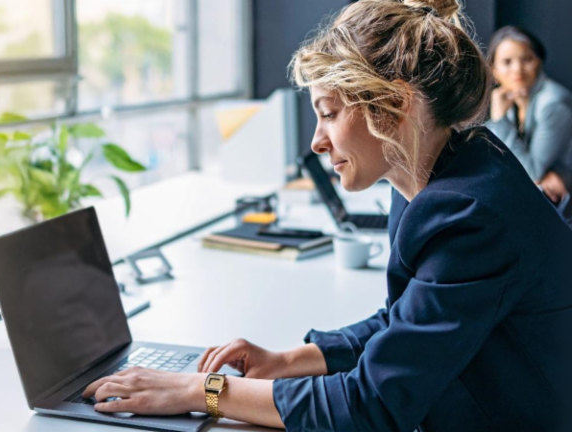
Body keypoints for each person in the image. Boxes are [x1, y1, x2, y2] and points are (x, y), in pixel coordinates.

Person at [83, 1, 572, 430]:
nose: (316, 141)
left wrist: (201, 393)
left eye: (329, 112)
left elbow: (370, 404)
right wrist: (289, 360)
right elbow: (406, 322)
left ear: (391, 105)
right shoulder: (442, 169)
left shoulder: (468, 215)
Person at [486, 26, 572, 207]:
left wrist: (499, 120)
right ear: (494, 71)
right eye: (507, 62)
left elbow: (531, 173)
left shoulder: (552, 104)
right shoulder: (511, 99)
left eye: (527, 59)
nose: (517, 69)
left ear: (539, 62)